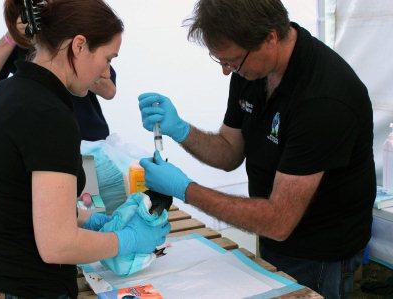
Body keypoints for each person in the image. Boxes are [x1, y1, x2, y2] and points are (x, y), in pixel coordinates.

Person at [138, 0, 376, 298]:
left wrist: (186, 190)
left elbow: (278, 220)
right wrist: (180, 130)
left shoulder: (324, 98)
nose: (227, 71)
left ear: (270, 37)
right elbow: (228, 151)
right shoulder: (251, 70)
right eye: (220, 61)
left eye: (232, 61)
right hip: (274, 238)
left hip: (320, 254)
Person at [0, 0, 170, 298]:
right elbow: (58, 245)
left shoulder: (9, 93)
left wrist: (90, 220)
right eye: (107, 58)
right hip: (23, 289)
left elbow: (19, 204)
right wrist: (126, 240)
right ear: (79, 45)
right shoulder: (49, 114)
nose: (105, 72)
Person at [0, 17, 117, 142]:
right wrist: (12, 35)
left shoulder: (81, 35)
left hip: (88, 141)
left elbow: (109, 91)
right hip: (43, 139)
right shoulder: (23, 42)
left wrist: (68, 63)